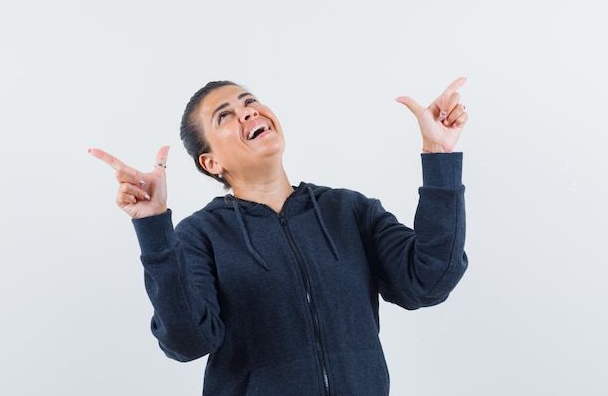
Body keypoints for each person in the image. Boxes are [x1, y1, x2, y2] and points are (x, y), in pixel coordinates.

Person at [89, 77, 469, 396]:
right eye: (226, 116)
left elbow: (430, 279)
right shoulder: (199, 236)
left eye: (249, 101)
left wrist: (438, 157)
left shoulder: (349, 211)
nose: (248, 112)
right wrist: (155, 227)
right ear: (211, 162)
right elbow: (187, 341)